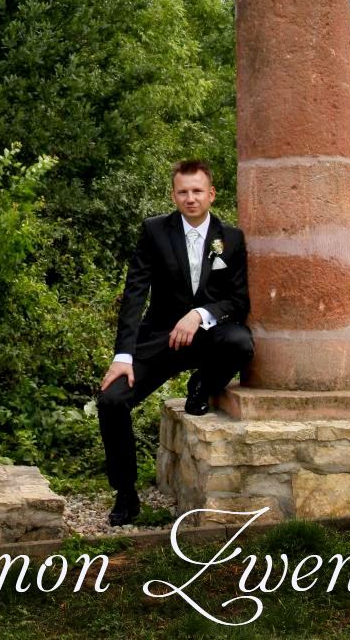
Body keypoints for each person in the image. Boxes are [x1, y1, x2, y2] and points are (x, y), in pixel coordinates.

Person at [96, 159, 252, 526]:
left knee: (241, 343)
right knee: (111, 400)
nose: (190, 198)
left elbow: (238, 301)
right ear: (174, 194)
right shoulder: (154, 231)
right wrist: (123, 355)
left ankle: (202, 386)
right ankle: (126, 493)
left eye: (197, 191)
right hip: (160, 336)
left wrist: (200, 314)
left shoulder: (231, 239)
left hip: (208, 335)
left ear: (211, 194)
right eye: (183, 191)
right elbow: (134, 294)